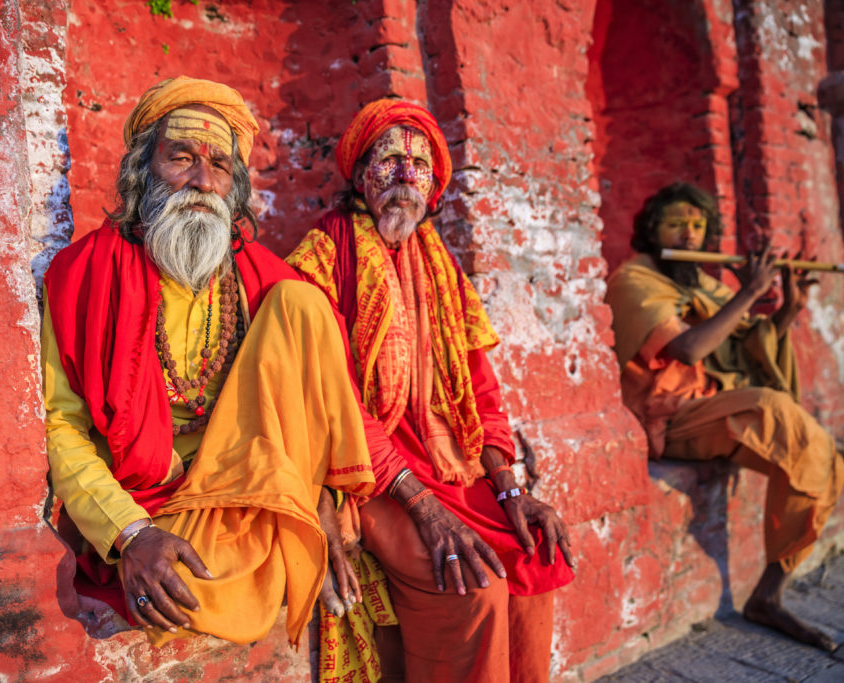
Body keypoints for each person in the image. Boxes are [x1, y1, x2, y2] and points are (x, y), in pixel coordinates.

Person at [41, 76, 381, 649]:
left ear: (235, 186)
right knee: (194, 588)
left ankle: (294, 522)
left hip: (247, 491)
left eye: (220, 165)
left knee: (304, 303)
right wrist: (131, 535)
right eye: (181, 157)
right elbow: (62, 425)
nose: (202, 180)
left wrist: (321, 500)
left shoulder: (260, 277)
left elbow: (317, 398)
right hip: (149, 501)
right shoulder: (83, 275)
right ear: (141, 169)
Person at [287, 99, 576, 683]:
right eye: (388, 159)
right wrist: (418, 502)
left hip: (451, 464)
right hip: (366, 471)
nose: (403, 176)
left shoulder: (442, 268)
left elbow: (481, 393)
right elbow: (329, 397)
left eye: (419, 165)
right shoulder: (321, 257)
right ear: (360, 173)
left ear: (435, 186)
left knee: (532, 556)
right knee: (472, 587)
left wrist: (510, 487)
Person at [605, 181, 843, 651]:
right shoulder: (634, 280)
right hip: (668, 419)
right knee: (776, 410)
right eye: (676, 224)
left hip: (713, 407)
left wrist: (787, 311)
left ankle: (768, 595)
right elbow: (690, 348)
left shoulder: (705, 283)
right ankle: (766, 599)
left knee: (823, 458)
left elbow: (744, 349)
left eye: (697, 226)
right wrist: (751, 291)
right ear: (653, 231)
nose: (689, 234)